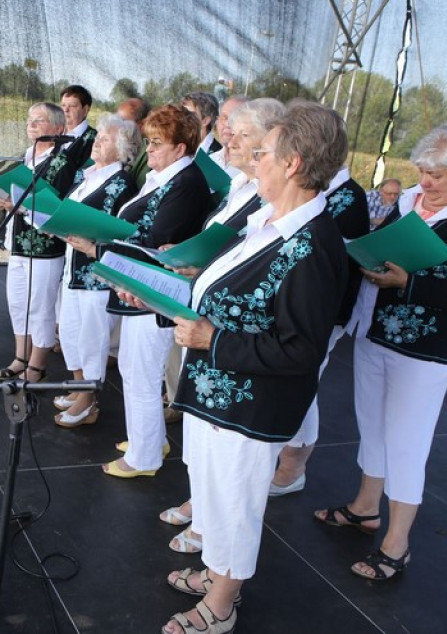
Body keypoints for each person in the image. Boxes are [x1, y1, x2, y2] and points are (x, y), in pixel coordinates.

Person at [161, 101, 349, 634]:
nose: (252, 159)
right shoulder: (269, 222)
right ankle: (216, 572)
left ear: (291, 164)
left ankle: (221, 604)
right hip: (217, 394)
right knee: (215, 495)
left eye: (262, 151)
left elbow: (300, 351)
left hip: (250, 406)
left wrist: (212, 338)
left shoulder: (312, 247)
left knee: (236, 502)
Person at [315, 124, 447, 581]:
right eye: (422, 171)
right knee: (373, 425)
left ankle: (397, 543)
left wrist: (410, 282)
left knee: (407, 440)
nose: (427, 183)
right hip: (374, 329)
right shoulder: (407, 202)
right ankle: (366, 507)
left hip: (425, 349)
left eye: (438, 175)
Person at [159, 98, 285, 553]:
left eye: (242, 134)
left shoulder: (272, 203)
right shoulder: (241, 188)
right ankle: (200, 502)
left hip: (232, 335)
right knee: (199, 426)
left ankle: (211, 525)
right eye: (230, 129)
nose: (228, 137)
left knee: (228, 449)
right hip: (206, 314)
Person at [70, 104, 215, 478]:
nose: (148, 149)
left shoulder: (186, 184)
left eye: (156, 143)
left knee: (142, 372)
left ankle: (145, 458)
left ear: (180, 148)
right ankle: (147, 440)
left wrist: (95, 247)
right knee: (136, 372)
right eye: (148, 141)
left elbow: (156, 240)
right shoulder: (164, 178)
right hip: (138, 286)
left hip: (155, 292)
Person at [270, 165, 369, 495]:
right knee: (291, 383)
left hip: (325, 310)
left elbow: (341, 257)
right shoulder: (317, 189)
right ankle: (287, 461)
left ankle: (293, 464)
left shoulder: (350, 196)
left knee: (301, 384)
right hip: (291, 303)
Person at [52, 114, 139, 427]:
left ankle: (89, 400)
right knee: (72, 332)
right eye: (98, 137)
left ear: (121, 149)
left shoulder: (122, 183)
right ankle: (79, 387)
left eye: (104, 140)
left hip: (97, 275)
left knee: (92, 337)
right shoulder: (86, 175)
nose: (96, 142)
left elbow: (113, 226)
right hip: (74, 268)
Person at [0, 103, 79, 382]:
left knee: (40, 305)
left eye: (39, 121)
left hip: (44, 247)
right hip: (18, 242)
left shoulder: (62, 163)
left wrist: (21, 207)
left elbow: (58, 208)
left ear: (57, 129)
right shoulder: (26, 158)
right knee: (17, 302)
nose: (32, 124)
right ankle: (20, 357)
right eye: (30, 119)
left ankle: (37, 365)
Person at [58, 84, 97, 174]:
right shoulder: (55, 132)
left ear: (85, 109)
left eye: (72, 106)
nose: (66, 110)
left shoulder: (95, 140)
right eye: (63, 105)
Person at [117, 97, 153, 188]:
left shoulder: (149, 152)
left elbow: (137, 189)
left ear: (141, 125)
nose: (116, 126)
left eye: (122, 121)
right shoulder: (117, 142)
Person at [209, 96, 249, 173]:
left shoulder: (254, 168)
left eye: (235, 119)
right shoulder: (209, 161)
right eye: (224, 118)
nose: (227, 124)